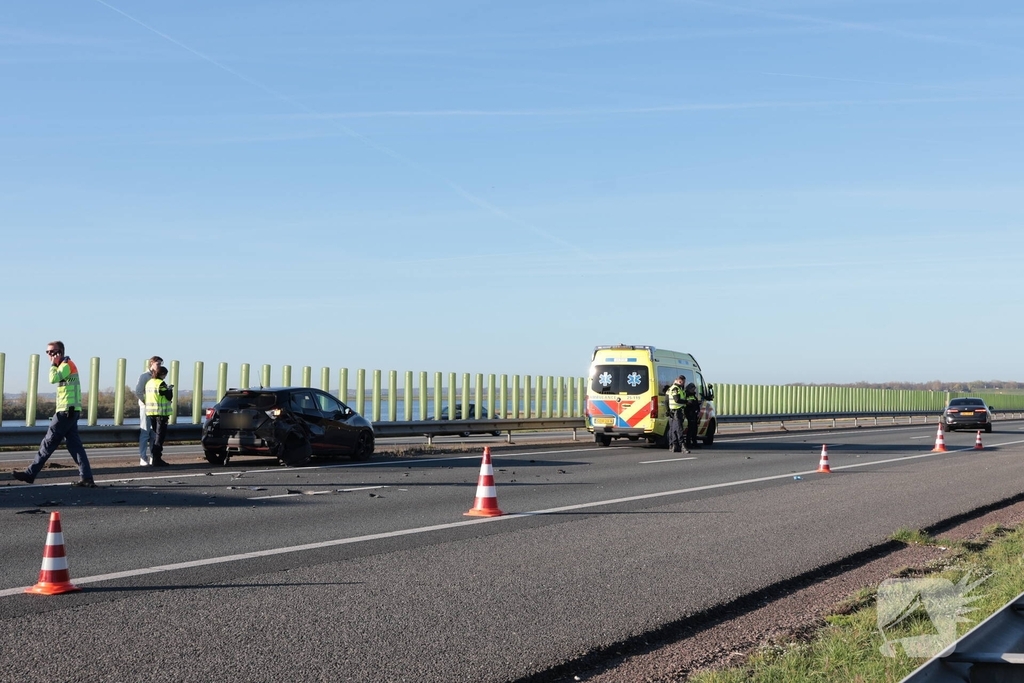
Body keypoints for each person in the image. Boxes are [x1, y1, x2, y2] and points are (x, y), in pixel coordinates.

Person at [11, 341, 96, 487]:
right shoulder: (64, 365)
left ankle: (30, 474)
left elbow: (52, 379)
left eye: (52, 352)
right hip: (69, 410)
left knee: (48, 443)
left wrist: (52, 365)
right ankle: (86, 477)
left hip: (66, 412)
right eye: (47, 352)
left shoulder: (66, 365)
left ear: (60, 352)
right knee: (74, 446)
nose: (50, 355)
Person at [135, 355, 163, 466]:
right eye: (158, 364)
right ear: (151, 364)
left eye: (161, 364)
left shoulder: (158, 377)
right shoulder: (144, 376)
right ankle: (142, 457)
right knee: (145, 433)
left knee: (154, 434)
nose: (160, 366)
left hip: (156, 409)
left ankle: (153, 456)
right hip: (146, 408)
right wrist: (146, 402)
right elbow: (138, 391)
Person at [145, 365, 174, 467]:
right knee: (159, 437)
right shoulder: (161, 383)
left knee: (156, 435)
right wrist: (170, 389)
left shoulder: (149, 383)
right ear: (162, 374)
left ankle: (155, 457)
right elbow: (168, 396)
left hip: (151, 413)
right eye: (165, 375)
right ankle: (157, 458)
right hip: (161, 413)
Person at [665, 375, 688, 453]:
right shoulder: (676, 389)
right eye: (683, 382)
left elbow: (666, 401)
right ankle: (682, 447)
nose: (683, 384)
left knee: (673, 429)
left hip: (672, 411)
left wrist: (668, 410)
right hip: (677, 411)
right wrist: (687, 402)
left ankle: (673, 446)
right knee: (679, 429)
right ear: (680, 381)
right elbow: (677, 400)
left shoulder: (670, 388)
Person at [683, 382, 702, 451]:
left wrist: (698, 411)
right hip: (690, 414)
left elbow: (696, 404)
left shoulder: (693, 395)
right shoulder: (686, 395)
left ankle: (694, 442)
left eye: (694, 389)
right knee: (690, 429)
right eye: (693, 389)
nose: (694, 390)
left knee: (695, 429)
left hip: (695, 414)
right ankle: (688, 443)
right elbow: (686, 404)